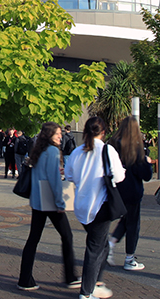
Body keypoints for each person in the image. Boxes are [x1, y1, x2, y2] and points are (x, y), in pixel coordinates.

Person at [65, 117, 125, 299]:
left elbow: (69, 175)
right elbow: (119, 176)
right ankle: (87, 291)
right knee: (94, 248)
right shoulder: (107, 150)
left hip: (82, 206)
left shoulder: (77, 152)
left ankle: (95, 282)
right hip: (100, 205)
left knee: (100, 245)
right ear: (104, 132)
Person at [17, 122, 80, 291]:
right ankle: (70, 276)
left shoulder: (39, 150)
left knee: (33, 239)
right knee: (67, 236)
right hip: (51, 202)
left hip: (37, 201)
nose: (61, 136)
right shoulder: (52, 151)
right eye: (57, 134)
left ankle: (24, 278)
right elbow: (54, 181)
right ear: (49, 135)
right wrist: (60, 203)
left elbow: (42, 174)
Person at [107, 116, 153, 270]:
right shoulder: (137, 148)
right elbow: (146, 175)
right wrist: (147, 162)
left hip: (116, 189)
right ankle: (129, 258)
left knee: (125, 219)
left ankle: (111, 243)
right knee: (133, 223)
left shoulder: (112, 145)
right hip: (133, 190)